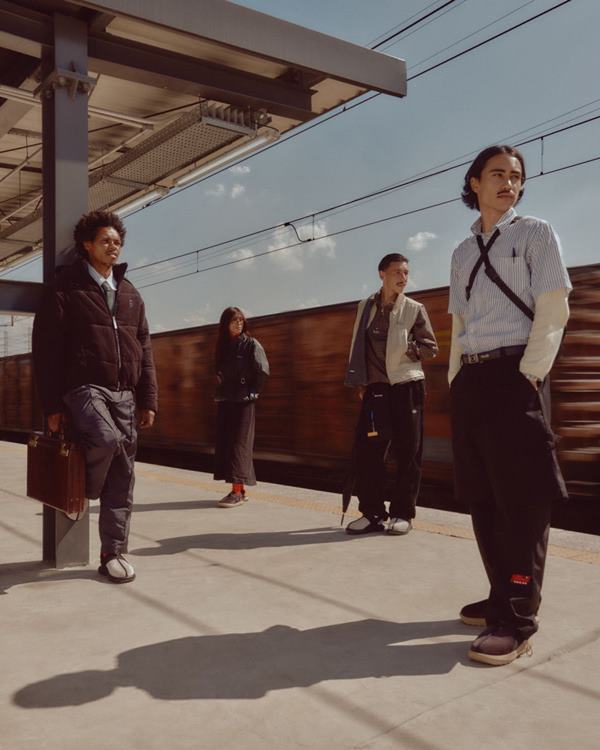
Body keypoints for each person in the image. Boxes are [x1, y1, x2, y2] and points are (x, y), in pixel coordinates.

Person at [448, 145, 571, 665]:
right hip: (473, 379)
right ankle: (501, 593)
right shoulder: (460, 252)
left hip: (516, 372)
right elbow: (459, 323)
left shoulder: (535, 233)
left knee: (521, 501)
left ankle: (518, 617)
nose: (509, 183)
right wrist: (454, 380)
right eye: (497, 174)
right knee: (484, 499)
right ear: (474, 182)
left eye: (516, 176)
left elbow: (553, 307)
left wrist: (530, 375)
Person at [32, 210, 158, 584]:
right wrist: (52, 406)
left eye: (117, 241)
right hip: (84, 388)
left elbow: (145, 348)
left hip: (124, 393)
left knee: (124, 477)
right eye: (106, 240)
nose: (113, 246)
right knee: (106, 439)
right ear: (87, 245)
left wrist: (148, 399)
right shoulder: (65, 289)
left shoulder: (131, 294)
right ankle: (83, 491)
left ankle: (112, 554)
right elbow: (47, 351)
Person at [344, 253, 438, 535]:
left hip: (407, 386)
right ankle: (372, 514)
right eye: (397, 272)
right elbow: (357, 345)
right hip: (377, 390)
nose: (403, 278)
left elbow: (430, 347)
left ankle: (402, 514)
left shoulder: (414, 308)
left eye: (406, 273)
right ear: (381, 274)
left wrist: (408, 349)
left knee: (408, 452)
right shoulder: (365, 307)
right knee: (368, 453)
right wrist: (361, 381)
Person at [213, 307, 269, 508]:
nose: (239, 324)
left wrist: (253, 392)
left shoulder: (251, 344)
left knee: (239, 445)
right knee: (228, 444)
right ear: (225, 324)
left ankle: (236, 493)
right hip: (226, 400)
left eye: (241, 320)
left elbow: (263, 370)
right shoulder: (224, 346)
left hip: (243, 401)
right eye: (234, 321)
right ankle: (241, 490)